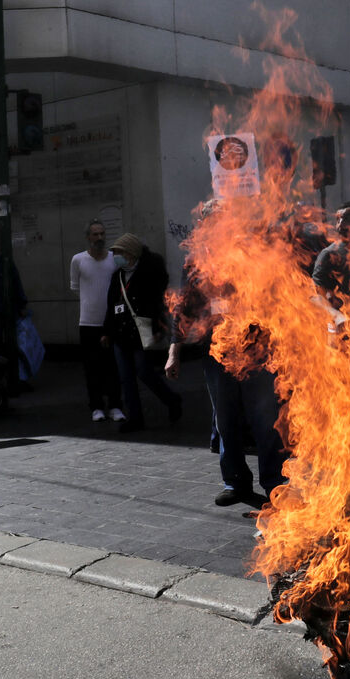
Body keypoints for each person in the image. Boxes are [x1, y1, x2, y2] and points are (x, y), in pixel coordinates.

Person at [168, 200, 287, 507]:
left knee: (265, 420)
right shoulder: (195, 261)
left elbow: (276, 298)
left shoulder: (252, 253)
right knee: (226, 420)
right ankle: (235, 482)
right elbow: (184, 308)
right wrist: (174, 351)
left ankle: (274, 482)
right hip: (217, 355)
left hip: (256, 351)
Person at [101, 232, 181, 433]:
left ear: (132, 253)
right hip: (120, 334)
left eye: (120, 252)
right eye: (115, 253)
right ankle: (135, 418)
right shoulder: (117, 276)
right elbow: (111, 305)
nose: (116, 256)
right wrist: (106, 332)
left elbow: (157, 304)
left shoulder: (148, 273)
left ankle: (172, 400)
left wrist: (158, 328)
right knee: (126, 377)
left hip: (140, 333)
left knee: (144, 372)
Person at [70, 219, 124, 423]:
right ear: (88, 237)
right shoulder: (78, 260)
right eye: (95, 234)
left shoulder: (114, 259)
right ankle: (96, 407)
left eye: (102, 234)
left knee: (113, 366)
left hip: (111, 323)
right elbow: (75, 286)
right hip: (88, 323)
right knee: (92, 367)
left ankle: (116, 405)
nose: (100, 238)